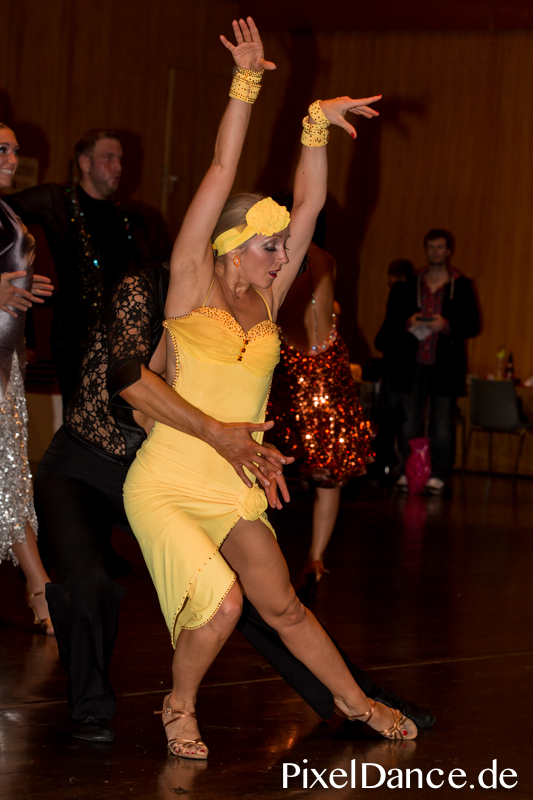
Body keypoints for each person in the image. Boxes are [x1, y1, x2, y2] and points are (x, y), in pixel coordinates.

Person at [124, 18, 418, 760]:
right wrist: (246, 81)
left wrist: (316, 123)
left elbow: (310, 206)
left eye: (283, 246)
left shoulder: (270, 297)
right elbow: (222, 166)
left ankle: (357, 704)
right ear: (231, 250)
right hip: (168, 479)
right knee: (223, 606)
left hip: (233, 481)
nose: (284, 255)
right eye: (270, 246)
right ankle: (178, 704)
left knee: (282, 604)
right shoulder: (190, 283)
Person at [35, 260, 435, 742]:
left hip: (178, 471)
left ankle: (356, 699)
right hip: (85, 466)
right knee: (86, 581)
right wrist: (219, 437)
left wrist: (252, 449)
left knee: (265, 599)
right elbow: (128, 382)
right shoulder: (146, 286)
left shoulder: (236, 306)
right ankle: (91, 709)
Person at [5, 129, 160, 406]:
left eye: (120, 159)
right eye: (108, 158)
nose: (118, 167)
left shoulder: (128, 217)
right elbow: (3, 213)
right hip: (71, 338)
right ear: (85, 162)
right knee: (78, 416)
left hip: (118, 338)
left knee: (116, 415)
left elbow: (154, 271)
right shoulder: (56, 200)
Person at [267, 210, 373, 593]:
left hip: (292, 371)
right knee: (331, 474)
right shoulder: (328, 260)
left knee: (264, 459)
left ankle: (256, 554)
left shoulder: (279, 259)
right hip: (329, 372)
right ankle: (315, 557)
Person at [0, 123, 55, 635]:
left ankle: (39, 585)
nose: (13, 159)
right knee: (9, 475)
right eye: (1, 150)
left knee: (12, 475)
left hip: (5, 360)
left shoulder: (6, 209)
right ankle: (39, 586)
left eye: (15, 150)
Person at [379, 230, 480, 494]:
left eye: (440, 247)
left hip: (445, 365)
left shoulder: (461, 284)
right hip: (412, 363)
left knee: (441, 421)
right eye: (431, 247)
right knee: (410, 420)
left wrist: (446, 325)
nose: (435, 252)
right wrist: (408, 321)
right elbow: (392, 320)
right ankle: (407, 471)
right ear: (426, 250)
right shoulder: (411, 283)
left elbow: (473, 324)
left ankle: (438, 475)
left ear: (449, 251)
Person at [373, 259, 415, 479]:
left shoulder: (398, 291)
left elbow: (390, 326)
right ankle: (405, 467)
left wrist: (380, 341)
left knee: (388, 418)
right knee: (406, 419)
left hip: (395, 364)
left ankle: (386, 465)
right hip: (410, 365)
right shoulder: (416, 294)